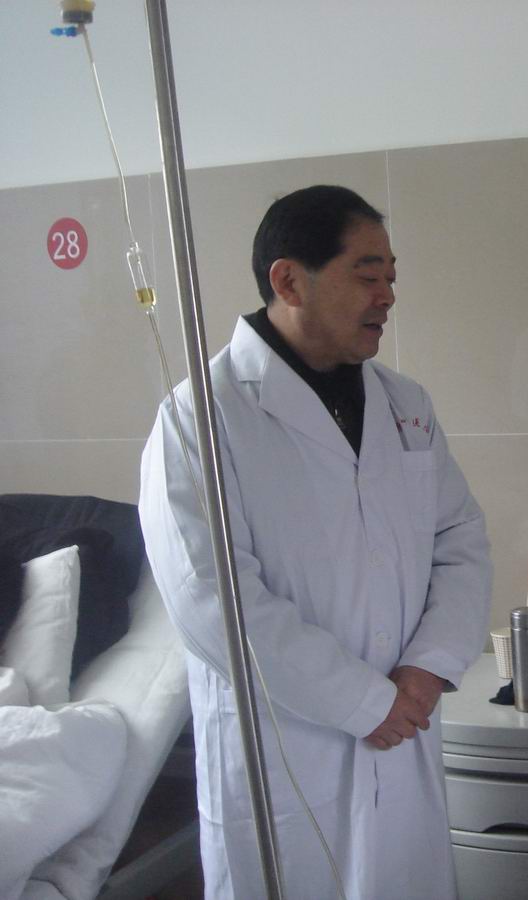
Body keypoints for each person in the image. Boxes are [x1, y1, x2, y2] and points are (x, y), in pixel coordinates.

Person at [139, 185, 492, 899]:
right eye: (367, 274)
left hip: (404, 727)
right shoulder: (200, 418)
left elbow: (460, 538)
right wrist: (363, 702)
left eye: (391, 276)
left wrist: (426, 670)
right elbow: (213, 601)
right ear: (289, 280)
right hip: (289, 754)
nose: (387, 296)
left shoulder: (405, 405)